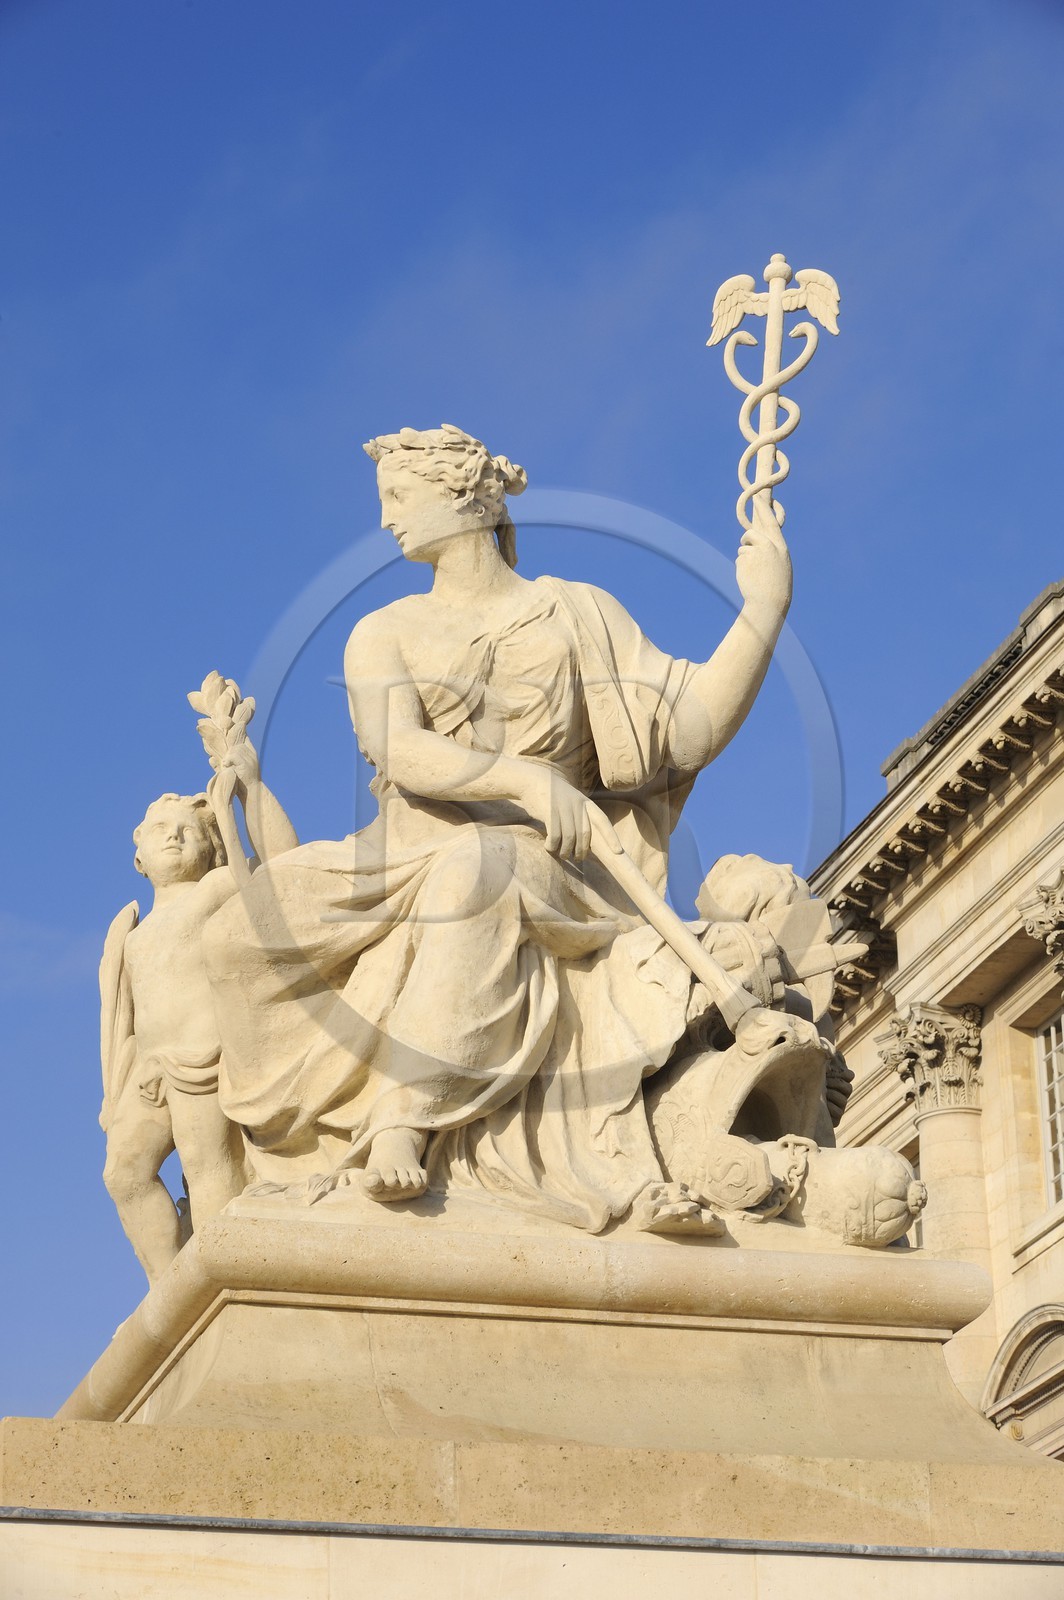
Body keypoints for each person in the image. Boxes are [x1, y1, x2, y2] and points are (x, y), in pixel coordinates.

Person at [203, 424, 794, 1232]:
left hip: (537, 855)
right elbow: (400, 750)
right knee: (238, 934)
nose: (387, 523)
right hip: (397, 850)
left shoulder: (578, 613)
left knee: (475, 871)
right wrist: (520, 776)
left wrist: (764, 609)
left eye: (399, 499)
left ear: (463, 498)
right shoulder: (385, 629)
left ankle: (404, 1117)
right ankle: (246, 1174)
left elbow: (685, 731)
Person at [100, 741, 297, 1282]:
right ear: (138, 855)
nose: (174, 833)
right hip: (150, 1070)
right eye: (161, 826)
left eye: (187, 827)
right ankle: (169, 1289)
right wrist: (129, 1076)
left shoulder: (212, 890)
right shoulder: (131, 932)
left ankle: (223, 1279)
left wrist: (247, 791)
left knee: (207, 1168)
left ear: (210, 848)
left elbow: (283, 866)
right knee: (123, 1174)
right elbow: (127, 1019)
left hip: (203, 1060)